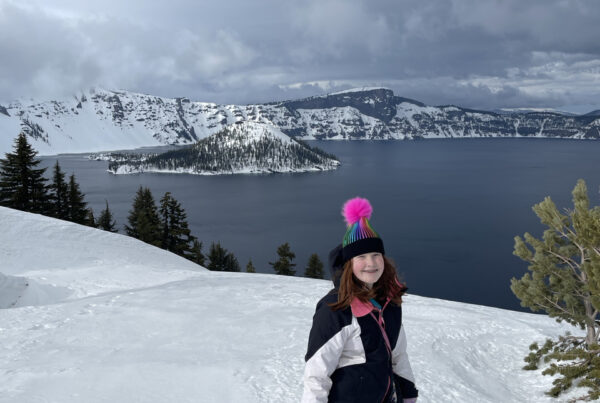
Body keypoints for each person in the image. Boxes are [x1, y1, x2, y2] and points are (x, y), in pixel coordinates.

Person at [302, 197, 418, 403]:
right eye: (361, 257)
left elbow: (398, 357)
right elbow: (316, 376)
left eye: (376, 254)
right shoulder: (335, 310)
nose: (371, 263)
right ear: (349, 264)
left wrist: (409, 395)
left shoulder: (389, 303)